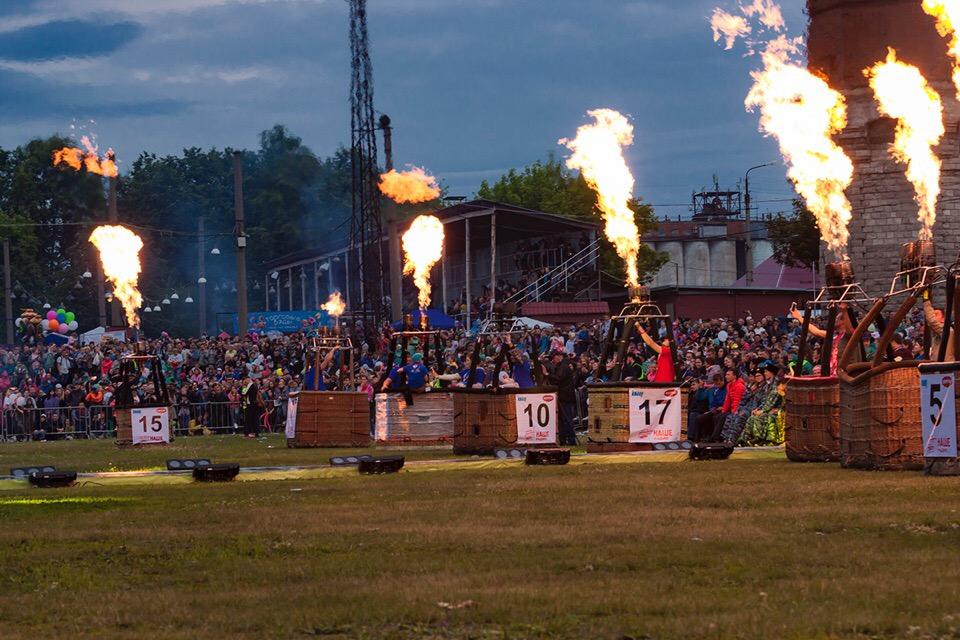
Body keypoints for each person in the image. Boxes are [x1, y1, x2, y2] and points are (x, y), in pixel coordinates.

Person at [545, 351, 577, 446]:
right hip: (565, 396)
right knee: (563, 419)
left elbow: (557, 379)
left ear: (559, 357)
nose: (552, 360)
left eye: (553, 357)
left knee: (566, 419)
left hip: (565, 396)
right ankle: (563, 439)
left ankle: (571, 440)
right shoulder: (562, 366)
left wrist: (547, 374)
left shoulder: (563, 367)